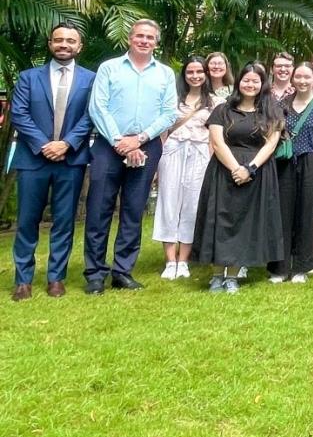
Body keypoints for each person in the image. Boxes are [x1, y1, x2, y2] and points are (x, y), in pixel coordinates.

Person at [85, 19, 177, 294]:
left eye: (150, 37)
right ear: (129, 38)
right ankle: (95, 273)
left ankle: (122, 271)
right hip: (108, 145)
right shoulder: (109, 68)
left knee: (133, 210)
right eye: (140, 36)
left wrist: (139, 139)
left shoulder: (165, 73)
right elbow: (97, 107)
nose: (144, 41)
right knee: (99, 209)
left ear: (156, 42)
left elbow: (169, 112)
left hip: (146, 145)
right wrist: (119, 141)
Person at [9, 24, 95, 301]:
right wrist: (45, 145)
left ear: (79, 47)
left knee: (64, 221)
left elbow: (92, 115)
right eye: (59, 40)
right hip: (34, 159)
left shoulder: (91, 79)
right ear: (50, 44)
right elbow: (19, 114)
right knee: (27, 221)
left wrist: (66, 143)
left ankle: (56, 278)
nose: (64, 45)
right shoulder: (28, 77)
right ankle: (23, 280)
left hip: (70, 160)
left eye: (70, 41)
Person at [193, 63, 285, 292]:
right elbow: (217, 142)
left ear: (262, 84)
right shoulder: (222, 110)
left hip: (256, 173)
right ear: (238, 82)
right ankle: (216, 275)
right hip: (223, 171)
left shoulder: (272, 112)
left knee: (244, 224)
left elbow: (271, 144)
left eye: (256, 80)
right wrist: (236, 168)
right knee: (219, 221)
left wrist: (250, 168)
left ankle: (232, 275)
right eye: (246, 80)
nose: (250, 84)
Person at [155, 57, 223, 281]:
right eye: (190, 72)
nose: (195, 76)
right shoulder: (172, 99)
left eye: (199, 71)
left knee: (192, 206)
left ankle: (183, 260)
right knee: (168, 203)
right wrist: (156, 162)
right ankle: (170, 260)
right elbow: (163, 132)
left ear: (205, 74)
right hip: (173, 151)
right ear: (184, 75)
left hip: (200, 154)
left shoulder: (214, 102)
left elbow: (215, 137)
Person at [268, 62, 313, 283]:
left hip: (310, 162)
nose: (303, 81)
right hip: (284, 163)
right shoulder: (281, 105)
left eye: (307, 77)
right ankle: (280, 268)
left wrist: (312, 160)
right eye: (299, 77)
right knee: (282, 214)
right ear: (293, 79)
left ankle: (302, 267)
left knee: (307, 214)